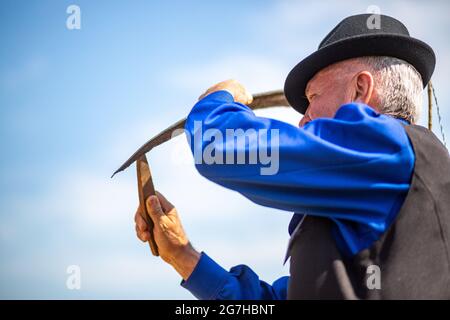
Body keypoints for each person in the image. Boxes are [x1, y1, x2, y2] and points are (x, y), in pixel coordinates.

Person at [134, 14, 450, 299]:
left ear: (359, 90)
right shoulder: (384, 175)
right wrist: (182, 255)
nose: (303, 118)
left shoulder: (384, 147)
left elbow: (217, 147)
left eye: (313, 97)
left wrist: (218, 99)